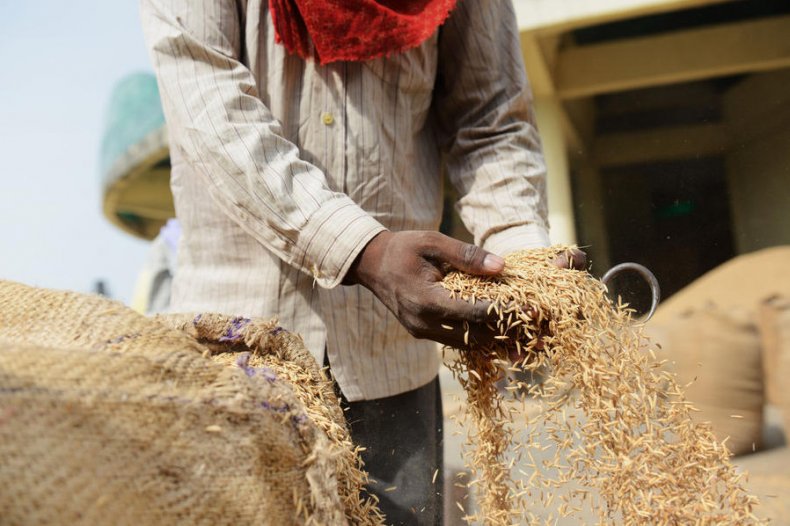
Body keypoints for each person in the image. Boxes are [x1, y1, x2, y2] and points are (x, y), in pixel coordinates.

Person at [140, 1, 584, 523]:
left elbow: (488, 117)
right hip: (237, 352)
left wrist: (518, 254)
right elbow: (209, 107)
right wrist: (363, 250)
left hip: (391, 364)